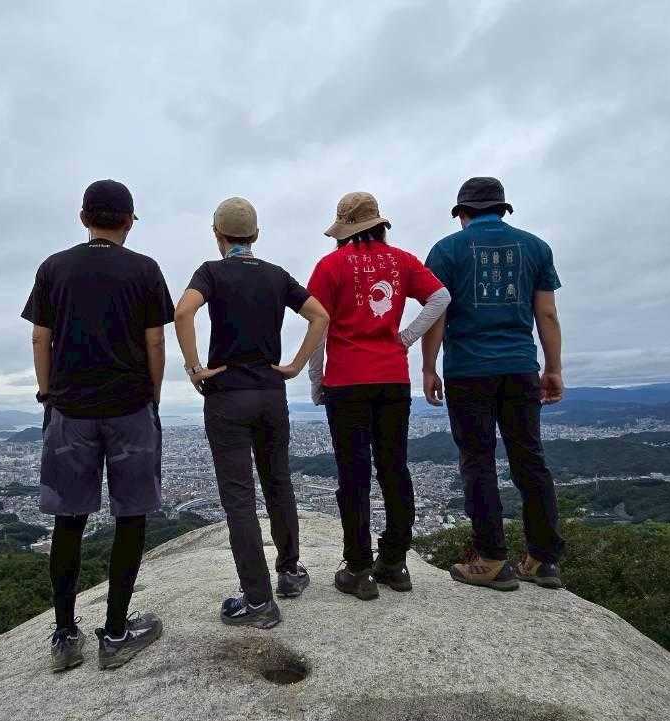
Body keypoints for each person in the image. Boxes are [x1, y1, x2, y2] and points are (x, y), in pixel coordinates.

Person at [21, 179, 173, 672]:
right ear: (129, 221)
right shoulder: (145, 269)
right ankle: (116, 632)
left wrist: (47, 391)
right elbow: (155, 343)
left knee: (69, 521)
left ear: (83, 218)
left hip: (70, 411)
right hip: (130, 409)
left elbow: (40, 338)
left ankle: (65, 635)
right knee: (131, 516)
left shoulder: (54, 268)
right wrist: (152, 396)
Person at [173, 197, 330, 629]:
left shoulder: (211, 272)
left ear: (217, 235)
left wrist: (195, 368)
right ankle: (290, 572)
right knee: (279, 482)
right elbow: (319, 316)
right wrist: (295, 365)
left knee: (239, 498)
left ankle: (258, 600)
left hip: (227, 396)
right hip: (270, 394)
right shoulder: (276, 275)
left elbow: (183, 311)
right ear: (256, 235)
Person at [421, 176, 566, 592]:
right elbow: (547, 314)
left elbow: (436, 314)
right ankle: (542, 560)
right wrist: (553, 368)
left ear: (462, 214)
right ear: (503, 209)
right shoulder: (536, 247)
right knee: (530, 459)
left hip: (468, 369)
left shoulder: (447, 250)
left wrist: (429, 367)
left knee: (477, 460)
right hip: (520, 366)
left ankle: (490, 559)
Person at [307, 191, 450, 601]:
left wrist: (317, 379)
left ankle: (358, 568)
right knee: (394, 469)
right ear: (378, 225)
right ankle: (394, 562)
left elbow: (318, 325)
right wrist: (404, 337)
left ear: (344, 230)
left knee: (353, 476)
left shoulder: (330, 265)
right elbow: (440, 297)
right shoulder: (401, 260)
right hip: (392, 378)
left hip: (347, 381)